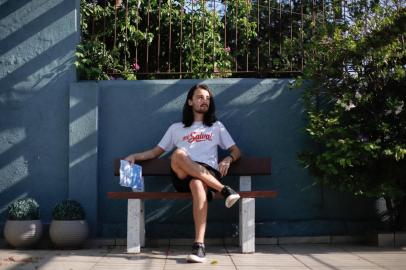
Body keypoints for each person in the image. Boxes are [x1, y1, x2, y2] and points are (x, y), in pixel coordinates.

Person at [125, 83, 241, 263]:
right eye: (200, 97)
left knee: (197, 183)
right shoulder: (176, 128)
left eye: (208, 98)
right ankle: (225, 190)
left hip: (207, 173)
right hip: (181, 173)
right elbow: (155, 152)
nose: (205, 101)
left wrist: (228, 159)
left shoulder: (216, 127)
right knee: (178, 154)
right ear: (189, 101)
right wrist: (135, 156)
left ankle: (199, 245)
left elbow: (236, 151)